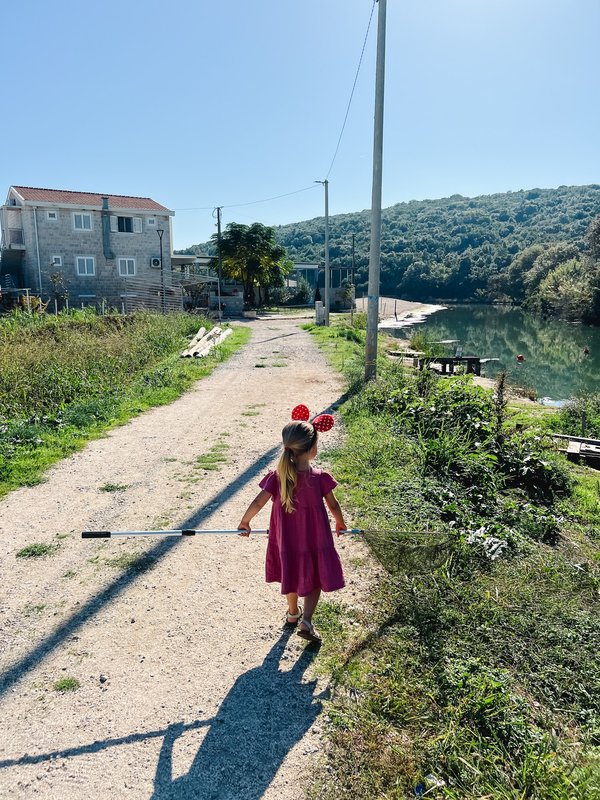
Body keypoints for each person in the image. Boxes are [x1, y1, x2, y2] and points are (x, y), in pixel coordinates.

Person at [238, 407, 347, 644]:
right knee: (315, 577)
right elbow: (334, 505)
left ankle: (292, 613)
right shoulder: (320, 477)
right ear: (312, 450)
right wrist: (340, 523)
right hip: (315, 539)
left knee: (291, 572)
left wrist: (245, 522)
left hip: (286, 542)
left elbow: (258, 502)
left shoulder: (277, 477)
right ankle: (306, 620)